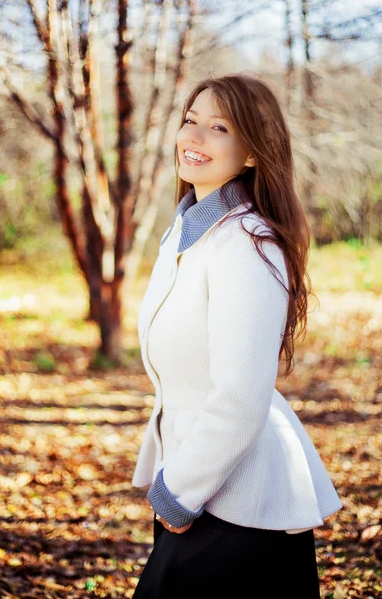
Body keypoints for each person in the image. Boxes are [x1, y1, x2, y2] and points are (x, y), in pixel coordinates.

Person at [131, 72, 343, 599]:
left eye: (219, 128)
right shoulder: (186, 231)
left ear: (252, 153)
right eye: (190, 121)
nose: (194, 138)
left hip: (241, 501)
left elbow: (241, 394)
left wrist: (178, 492)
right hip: (196, 484)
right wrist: (169, 482)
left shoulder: (246, 244)